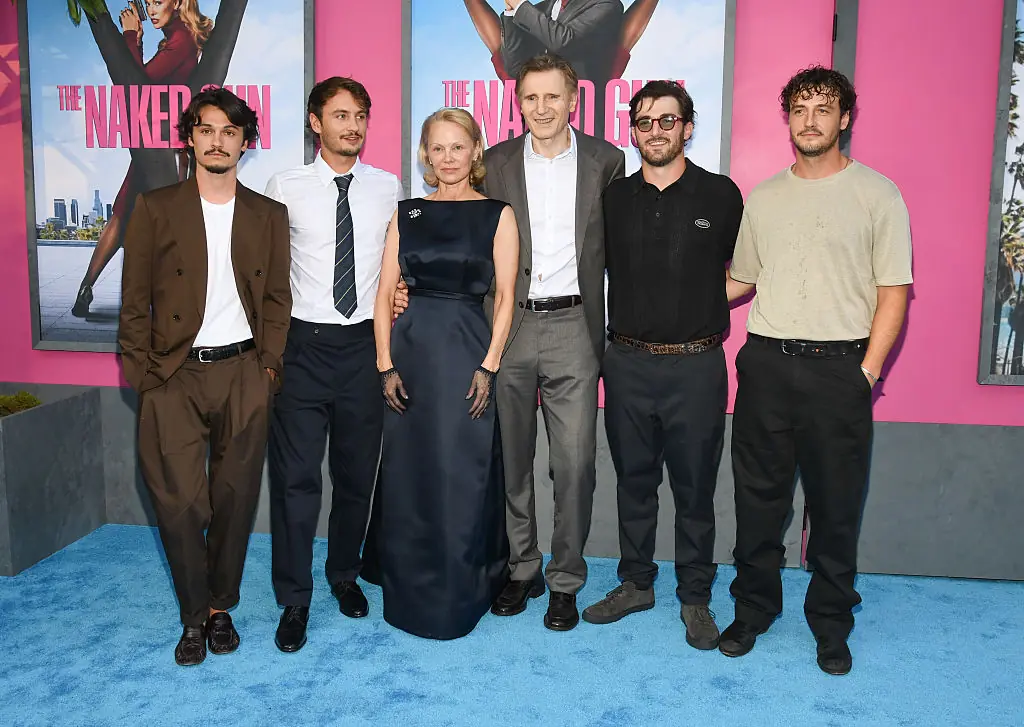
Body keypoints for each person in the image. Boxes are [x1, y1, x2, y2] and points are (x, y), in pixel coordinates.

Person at [395, 53, 624, 631]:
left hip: (574, 327)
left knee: (573, 466)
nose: (541, 109)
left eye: (553, 97)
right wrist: (406, 290)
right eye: (530, 98)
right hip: (505, 327)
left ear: (574, 99)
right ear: (517, 103)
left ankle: (566, 579)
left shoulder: (606, 161)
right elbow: (452, 230)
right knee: (511, 461)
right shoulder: (493, 163)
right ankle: (523, 567)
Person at [721, 66, 913, 675]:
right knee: (758, 500)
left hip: (841, 370)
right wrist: (668, 291)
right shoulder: (766, 196)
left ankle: (831, 621)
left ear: (844, 118)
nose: (810, 120)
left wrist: (867, 373)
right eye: (799, 110)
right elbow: (741, 280)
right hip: (768, 364)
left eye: (822, 109)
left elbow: (894, 291)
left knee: (835, 506)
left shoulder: (878, 195)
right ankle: (753, 609)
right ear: (789, 120)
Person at [118, 87, 292, 666]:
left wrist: (268, 367)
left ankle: (220, 609)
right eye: (206, 129)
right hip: (173, 375)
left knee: (235, 499)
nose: (218, 140)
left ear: (246, 141)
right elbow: (133, 300)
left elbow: (276, 299)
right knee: (180, 503)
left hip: (244, 371)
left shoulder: (269, 215)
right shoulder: (156, 207)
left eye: (230, 130)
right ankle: (193, 618)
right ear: (190, 137)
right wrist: (141, 375)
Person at [580, 81, 742, 652]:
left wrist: (703, 301)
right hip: (625, 364)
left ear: (687, 128)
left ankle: (695, 597)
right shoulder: (614, 198)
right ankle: (635, 583)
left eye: (667, 121)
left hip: (697, 368)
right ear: (633, 130)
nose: (655, 130)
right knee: (635, 482)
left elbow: (751, 266)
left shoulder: (721, 195)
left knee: (695, 489)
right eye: (644, 121)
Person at [263, 78, 401, 653]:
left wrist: (402, 293)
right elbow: (266, 273)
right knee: (295, 483)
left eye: (361, 115)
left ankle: (343, 574)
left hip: (362, 351)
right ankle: (294, 600)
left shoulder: (388, 187)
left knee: (355, 477)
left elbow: (398, 266)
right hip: (302, 348)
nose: (353, 125)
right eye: (340, 115)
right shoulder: (283, 186)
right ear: (315, 123)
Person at [371, 108, 519, 640]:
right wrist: (385, 362)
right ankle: (408, 582)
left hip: (465, 350)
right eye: (438, 148)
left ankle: (464, 585)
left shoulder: (498, 215)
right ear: (425, 156)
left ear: (476, 151)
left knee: (461, 469)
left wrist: (490, 364)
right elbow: (384, 293)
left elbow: (505, 297)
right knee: (411, 470)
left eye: (459, 147)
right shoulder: (406, 214)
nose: (448, 157)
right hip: (410, 352)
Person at [74, 0, 213, 318]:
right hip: (157, 144)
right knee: (123, 214)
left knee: (133, 216)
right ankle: (89, 287)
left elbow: (139, 85)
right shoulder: (177, 36)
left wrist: (130, 37)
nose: (151, 9)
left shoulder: (182, 38)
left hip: (165, 148)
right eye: (148, 2)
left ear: (177, 3)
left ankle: (90, 287)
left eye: (158, 2)